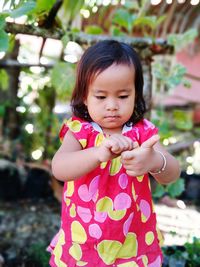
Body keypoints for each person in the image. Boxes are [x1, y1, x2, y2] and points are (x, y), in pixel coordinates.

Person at [48, 40, 180, 267]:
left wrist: (154, 161)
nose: (112, 105)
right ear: (84, 96)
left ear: (136, 94)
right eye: (101, 97)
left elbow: (173, 173)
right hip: (84, 240)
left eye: (122, 96)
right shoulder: (80, 131)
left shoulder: (142, 132)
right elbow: (59, 167)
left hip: (133, 239)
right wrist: (97, 154)